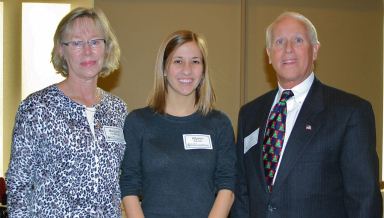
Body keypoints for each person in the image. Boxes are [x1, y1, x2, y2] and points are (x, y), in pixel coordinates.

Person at [231, 11, 382, 218]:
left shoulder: (350, 112)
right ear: (268, 53)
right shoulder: (249, 114)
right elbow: (242, 193)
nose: (288, 49)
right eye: (279, 41)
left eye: (298, 40)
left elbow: (364, 200)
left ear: (315, 50)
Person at [6, 7, 127, 217]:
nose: (87, 51)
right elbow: (18, 186)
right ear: (61, 49)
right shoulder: (37, 108)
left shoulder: (117, 109)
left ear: (106, 48)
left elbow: (123, 179)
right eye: (77, 43)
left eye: (95, 41)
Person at [120, 30, 236, 218]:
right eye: (178, 61)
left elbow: (227, 185)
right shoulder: (138, 122)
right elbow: (129, 184)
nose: (187, 70)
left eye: (195, 61)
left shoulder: (219, 124)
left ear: (203, 70)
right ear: (164, 68)